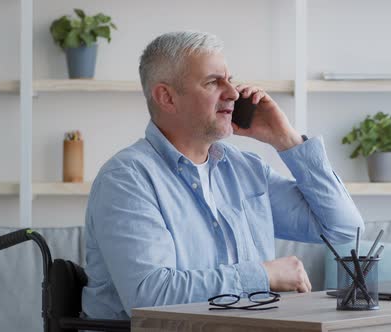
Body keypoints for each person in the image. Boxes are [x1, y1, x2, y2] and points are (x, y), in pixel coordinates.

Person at [81, 31, 364, 319]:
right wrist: (263, 275)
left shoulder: (245, 170)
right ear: (166, 97)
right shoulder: (127, 179)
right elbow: (150, 295)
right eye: (213, 82)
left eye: (230, 79)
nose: (233, 93)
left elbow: (343, 230)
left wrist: (287, 140)